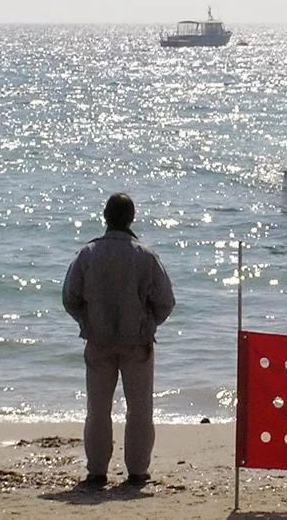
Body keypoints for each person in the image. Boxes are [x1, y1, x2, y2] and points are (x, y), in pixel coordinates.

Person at [62, 193, 176, 488]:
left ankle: (97, 471)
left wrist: (86, 322)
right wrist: (149, 322)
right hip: (137, 340)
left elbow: (70, 298)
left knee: (97, 408)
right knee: (139, 409)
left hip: (98, 339)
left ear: (105, 217)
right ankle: (137, 472)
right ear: (132, 218)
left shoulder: (88, 254)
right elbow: (165, 301)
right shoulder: (145, 255)